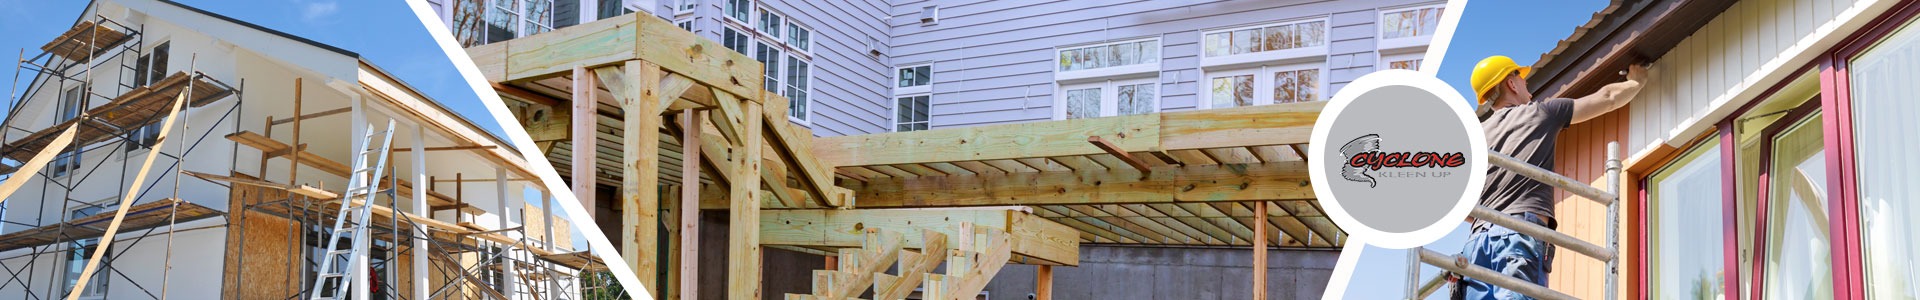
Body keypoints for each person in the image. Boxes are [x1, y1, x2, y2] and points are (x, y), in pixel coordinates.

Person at [1450, 55, 1647, 300]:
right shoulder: (1540, 113)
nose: (1527, 87)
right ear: (1511, 84)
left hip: (1476, 245)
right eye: (1521, 78)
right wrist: (1636, 81)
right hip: (1518, 234)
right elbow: (1607, 98)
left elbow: (1458, 207)